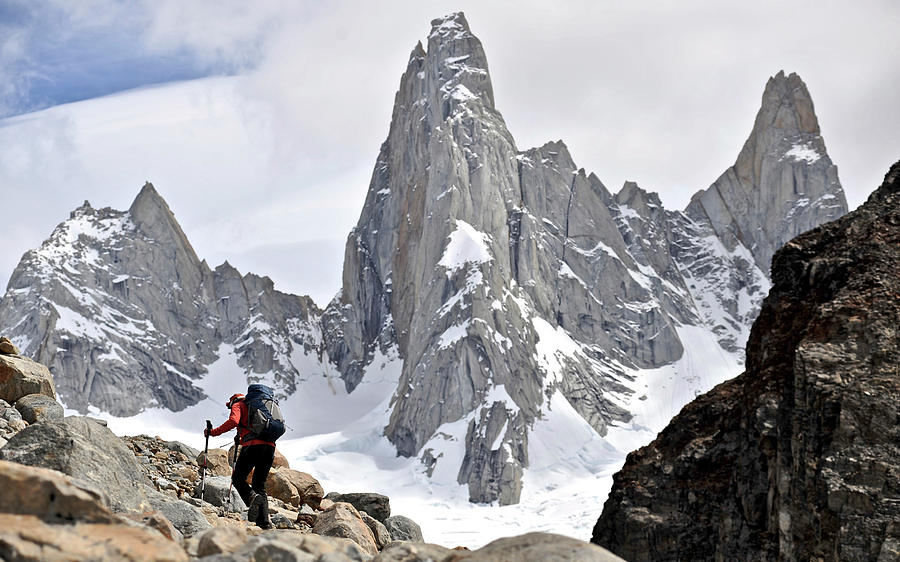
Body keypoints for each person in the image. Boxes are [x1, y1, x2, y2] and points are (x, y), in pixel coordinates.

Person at [206, 392, 275, 529]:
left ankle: (251, 497)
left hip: (253, 446)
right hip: (270, 447)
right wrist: (241, 436)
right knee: (259, 485)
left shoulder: (238, 404)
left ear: (232, 401)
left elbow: (233, 421)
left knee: (237, 478)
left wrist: (213, 432)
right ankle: (264, 524)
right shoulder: (261, 406)